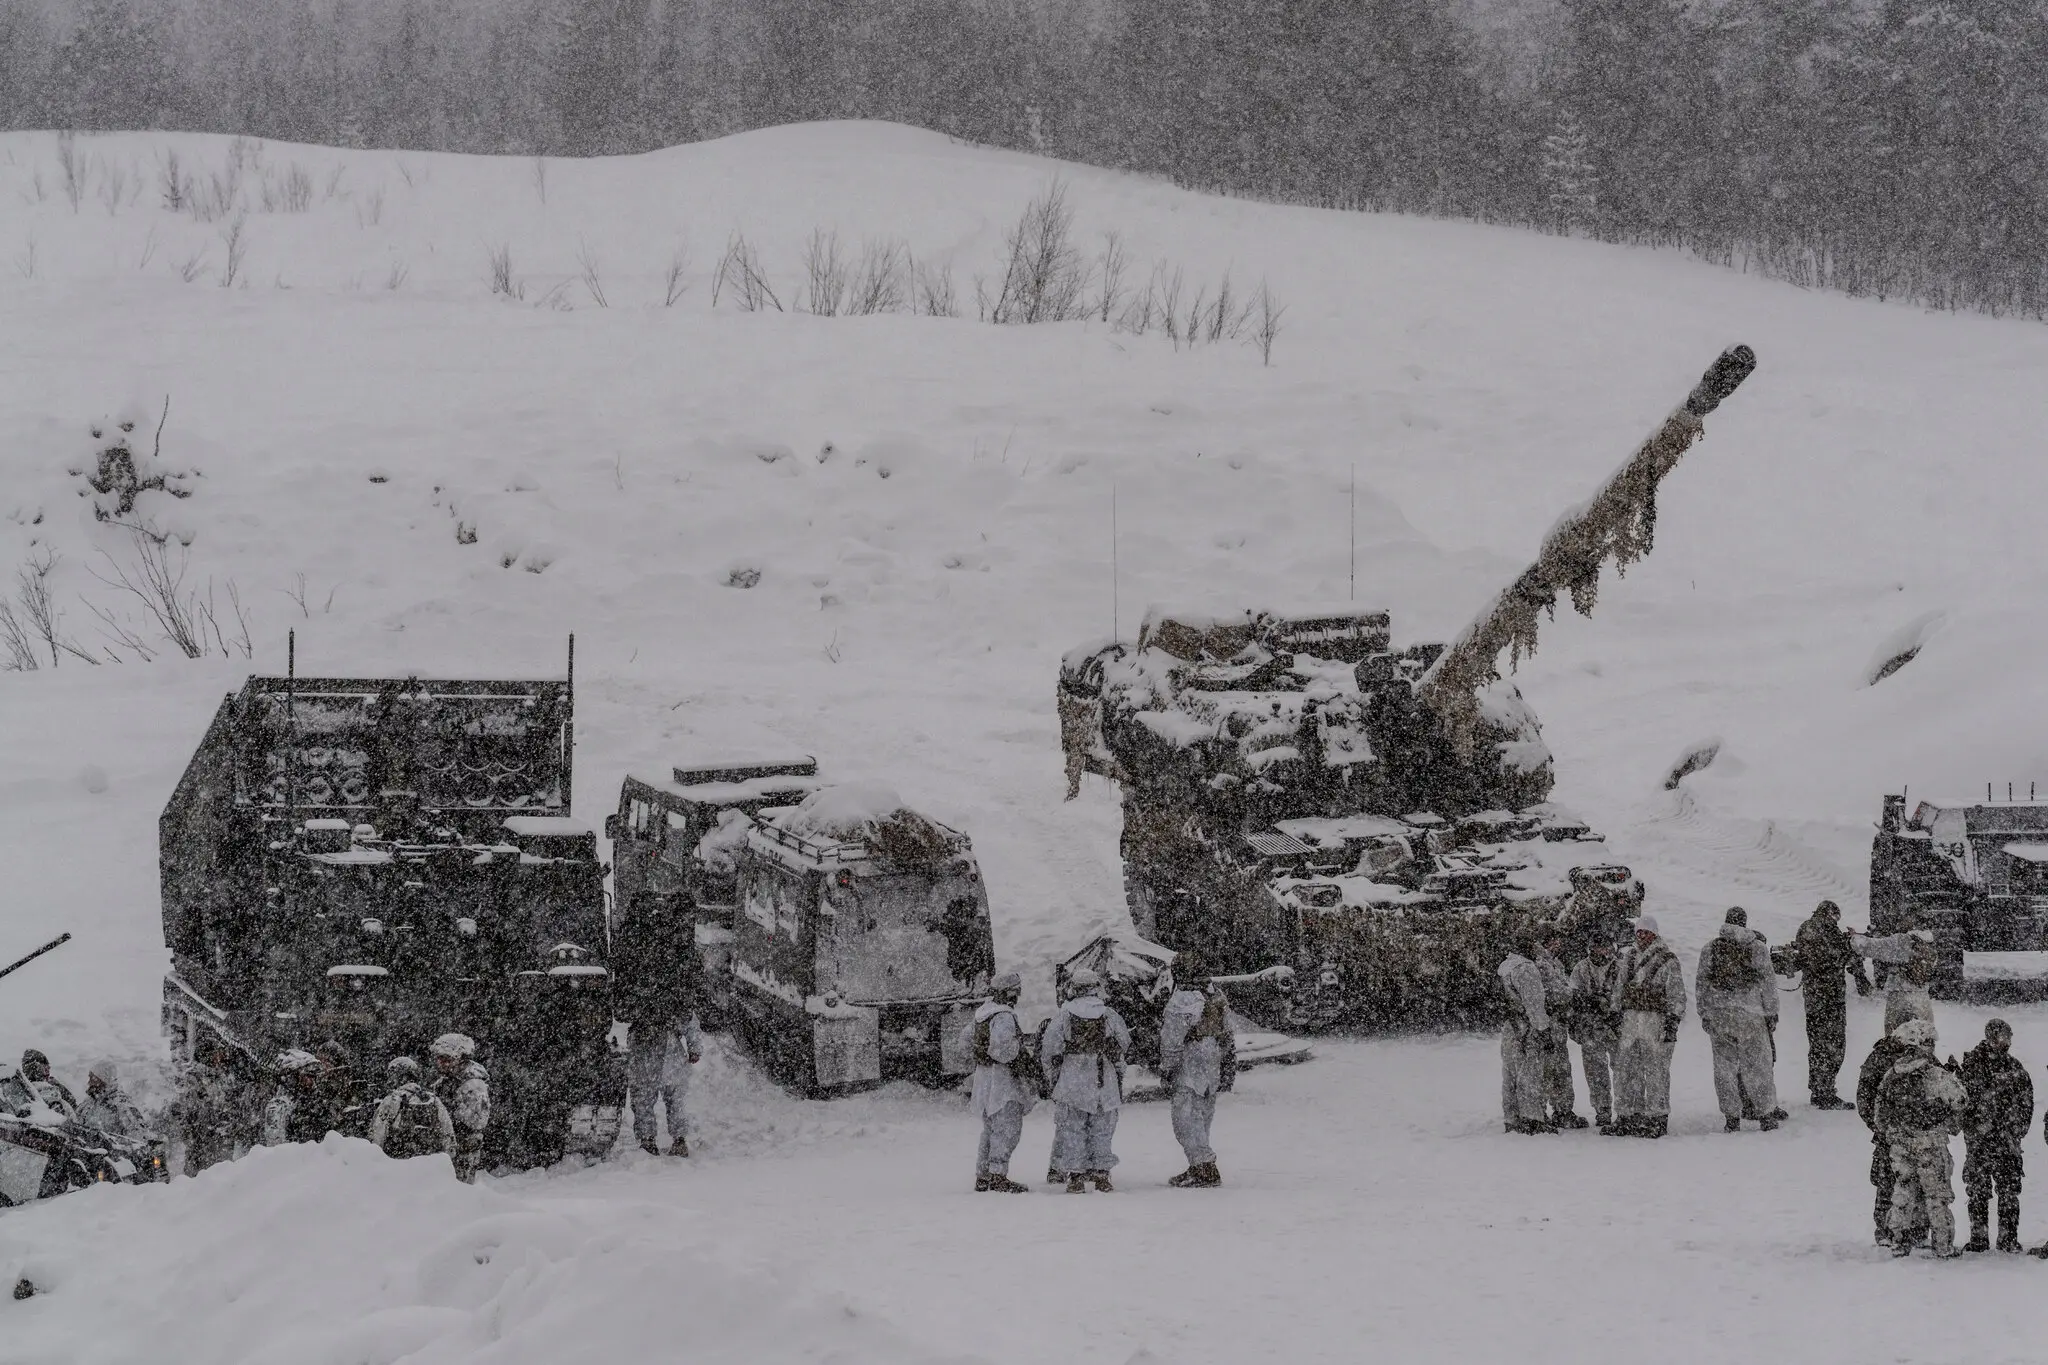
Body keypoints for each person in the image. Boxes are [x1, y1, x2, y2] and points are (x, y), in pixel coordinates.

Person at [611, 893, 704, 1157]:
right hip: (670, 1037)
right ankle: (679, 1140)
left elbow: (623, 1007)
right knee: (674, 1096)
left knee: (643, 1095)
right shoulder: (677, 953)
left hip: (644, 1035)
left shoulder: (636, 947)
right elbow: (687, 1013)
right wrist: (694, 1045)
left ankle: (648, 1141)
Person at [1877, 1018, 1966, 1258]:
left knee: (1903, 1192)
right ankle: (1943, 1245)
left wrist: (1894, 1132)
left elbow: (1880, 1114)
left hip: (1900, 1144)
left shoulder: (1891, 1075)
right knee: (1937, 1196)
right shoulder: (1936, 1075)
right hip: (1931, 1143)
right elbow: (1960, 1103)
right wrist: (1946, 1123)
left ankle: (1898, 1241)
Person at [1040, 967, 1132, 1192]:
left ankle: (1076, 1177)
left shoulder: (1064, 1014)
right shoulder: (1108, 1014)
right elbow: (1124, 1042)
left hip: (1073, 1077)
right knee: (1102, 1127)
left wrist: (1053, 1077)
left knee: (1073, 1128)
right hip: (1103, 1076)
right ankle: (1101, 1174)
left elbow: (1050, 1048)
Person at [1696, 908, 1780, 1133]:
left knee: (1724, 1068)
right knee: (1758, 1066)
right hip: (1751, 1013)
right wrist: (1771, 1013)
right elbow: (1768, 982)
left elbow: (1702, 982)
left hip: (1721, 1014)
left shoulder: (1710, 948)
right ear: (1744, 922)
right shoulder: (1757, 947)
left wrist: (1704, 1013)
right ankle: (1766, 1114)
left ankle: (1732, 1117)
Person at [1784, 900, 1870, 1108]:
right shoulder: (1825, 929)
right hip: (1830, 997)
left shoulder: (1805, 928)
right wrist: (1850, 943)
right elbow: (1831, 958)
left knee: (1817, 1044)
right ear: (1831, 914)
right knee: (1833, 1045)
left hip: (1813, 997)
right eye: (1836, 917)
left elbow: (1812, 955)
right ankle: (1826, 1093)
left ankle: (1818, 1089)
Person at [1160, 953, 1236, 1187]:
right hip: (1213, 1055)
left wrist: (1168, 1068)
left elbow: (1172, 1038)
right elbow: (1228, 1030)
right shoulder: (1214, 993)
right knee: (1203, 1112)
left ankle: (1204, 1166)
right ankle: (1198, 1164)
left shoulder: (1183, 998)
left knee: (1184, 1115)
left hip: (1191, 1056)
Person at [1608, 915, 1686, 1139]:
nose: (1641, 936)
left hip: (1655, 1021)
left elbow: (1676, 993)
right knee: (1625, 1070)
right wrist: (1615, 1012)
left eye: (1646, 932)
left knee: (1656, 1071)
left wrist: (1673, 1020)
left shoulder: (1668, 960)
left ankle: (1656, 1118)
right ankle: (1626, 1115)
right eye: (1638, 932)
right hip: (1631, 1021)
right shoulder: (1629, 958)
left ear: (1654, 934)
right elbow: (1619, 987)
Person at [1958, 1019, 2032, 1253]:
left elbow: (2026, 1104)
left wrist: (2015, 1131)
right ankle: (1979, 1239)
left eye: (2008, 1037)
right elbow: (1961, 1103)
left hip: (2006, 1141)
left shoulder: (2014, 1067)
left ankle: (2008, 1238)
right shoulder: (1972, 1066)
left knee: (2009, 1190)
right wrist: (1974, 1128)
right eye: (2002, 1037)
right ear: (1990, 1037)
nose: (2006, 1042)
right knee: (1978, 1190)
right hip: (1980, 1142)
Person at [964, 970, 1036, 1193]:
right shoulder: (1004, 1016)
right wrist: (1021, 1053)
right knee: (1007, 1129)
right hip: (1003, 1082)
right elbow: (1003, 1049)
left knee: (989, 1129)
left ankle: (983, 1175)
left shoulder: (982, 1013)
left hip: (984, 1080)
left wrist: (981, 1055)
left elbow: (965, 1041)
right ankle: (998, 1175)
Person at [1857, 1022, 1924, 1247]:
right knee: (1887, 1181)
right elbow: (1865, 1099)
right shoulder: (1879, 1060)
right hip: (1889, 1134)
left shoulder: (1922, 1057)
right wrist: (1880, 1127)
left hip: (1916, 1134)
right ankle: (1884, 1228)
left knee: (1918, 1182)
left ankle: (1916, 1228)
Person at [1497, 934, 1555, 1135]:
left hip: (1510, 1028)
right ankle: (1532, 1119)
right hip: (1527, 1029)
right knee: (1530, 1074)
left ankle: (1511, 1118)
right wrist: (1544, 1031)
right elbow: (1534, 1005)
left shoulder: (1505, 966)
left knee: (1510, 1074)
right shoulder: (1526, 968)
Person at [1567, 938, 1624, 1132]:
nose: (1602, 951)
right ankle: (1602, 1110)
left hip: (1617, 1027)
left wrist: (1615, 1011)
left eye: (1605, 947)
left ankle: (1625, 1110)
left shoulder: (1620, 966)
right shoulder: (1581, 968)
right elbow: (1573, 996)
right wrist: (1589, 1004)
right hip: (1591, 1027)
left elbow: (1628, 993)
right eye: (1597, 947)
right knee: (1595, 1072)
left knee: (1623, 1069)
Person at [1533, 932, 1587, 1129]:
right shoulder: (1541, 964)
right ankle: (1540, 1112)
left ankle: (1563, 1110)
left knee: (1562, 1068)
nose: (1560, 944)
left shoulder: (1555, 963)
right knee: (1547, 1069)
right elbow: (1556, 991)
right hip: (1549, 1024)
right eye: (1556, 940)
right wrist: (1574, 995)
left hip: (1559, 1024)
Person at [369, 1056, 457, 1163]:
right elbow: (447, 1131)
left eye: (392, 1075)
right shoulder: (432, 1099)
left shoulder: (392, 1100)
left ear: (399, 1076)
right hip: (430, 1165)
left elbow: (377, 1135)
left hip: (400, 1163)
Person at [428, 1032, 491, 1182]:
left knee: (459, 1194)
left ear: (461, 1058)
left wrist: (448, 1116)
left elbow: (476, 1121)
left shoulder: (473, 1084)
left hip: (462, 1152)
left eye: (446, 1058)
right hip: (447, 1149)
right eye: (438, 1058)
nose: (440, 1062)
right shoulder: (446, 1080)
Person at [1854, 928, 1939, 1035]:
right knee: (1925, 1037)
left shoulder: (1901, 941)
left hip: (1898, 998)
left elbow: (1871, 947)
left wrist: (1854, 938)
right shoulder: (1930, 942)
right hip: (1922, 999)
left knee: (1895, 1039)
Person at [260, 1049, 331, 1145]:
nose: (312, 1081)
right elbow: (277, 1148)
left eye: (314, 1077)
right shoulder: (279, 1107)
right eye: (308, 1076)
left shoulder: (316, 1104)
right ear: (293, 1076)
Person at [76, 1059, 146, 1138]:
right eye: (89, 1078)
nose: (89, 1083)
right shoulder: (88, 1103)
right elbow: (75, 1124)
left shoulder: (122, 1105)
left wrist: (110, 1143)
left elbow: (138, 1137)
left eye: (93, 1079)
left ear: (104, 1079)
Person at [20, 1050, 78, 1119]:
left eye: (48, 1065)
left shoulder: (55, 1086)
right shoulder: (23, 1089)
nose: (48, 1068)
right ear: (35, 1067)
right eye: (44, 1064)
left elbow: (73, 1105)